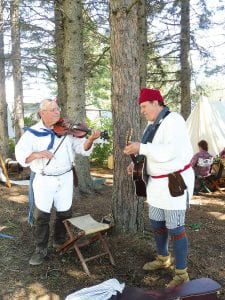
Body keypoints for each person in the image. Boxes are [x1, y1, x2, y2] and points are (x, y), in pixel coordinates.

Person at [15, 98, 101, 266]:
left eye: (57, 109)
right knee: (42, 216)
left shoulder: (67, 131)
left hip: (65, 177)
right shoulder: (32, 133)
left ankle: (58, 241)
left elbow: (82, 149)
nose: (57, 112)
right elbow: (21, 155)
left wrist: (91, 139)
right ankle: (41, 248)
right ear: (42, 113)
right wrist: (37, 154)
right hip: (44, 179)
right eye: (53, 109)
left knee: (64, 212)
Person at [123, 88, 194, 287]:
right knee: (156, 223)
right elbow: (149, 154)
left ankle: (181, 273)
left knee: (176, 228)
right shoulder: (152, 124)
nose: (142, 111)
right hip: (156, 184)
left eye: (144, 106)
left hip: (174, 184)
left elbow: (169, 152)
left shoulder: (174, 120)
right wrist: (136, 164)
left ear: (156, 102)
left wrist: (141, 147)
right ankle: (163, 258)